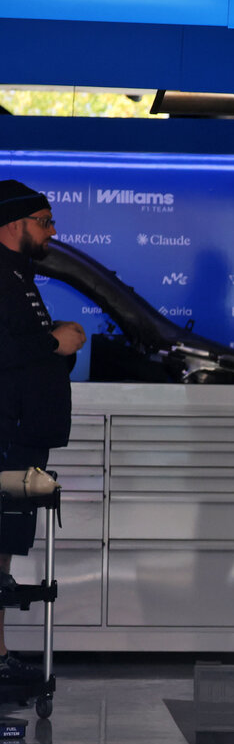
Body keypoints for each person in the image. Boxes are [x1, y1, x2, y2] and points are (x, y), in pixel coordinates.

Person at [0, 180, 86, 683]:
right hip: (7, 434)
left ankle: (2, 651)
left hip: (22, 434)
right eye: (44, 221)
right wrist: (55, 344)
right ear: (13, 223)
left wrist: (58, 349)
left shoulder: (20, 276)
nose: (52, 231)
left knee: (5, 548)